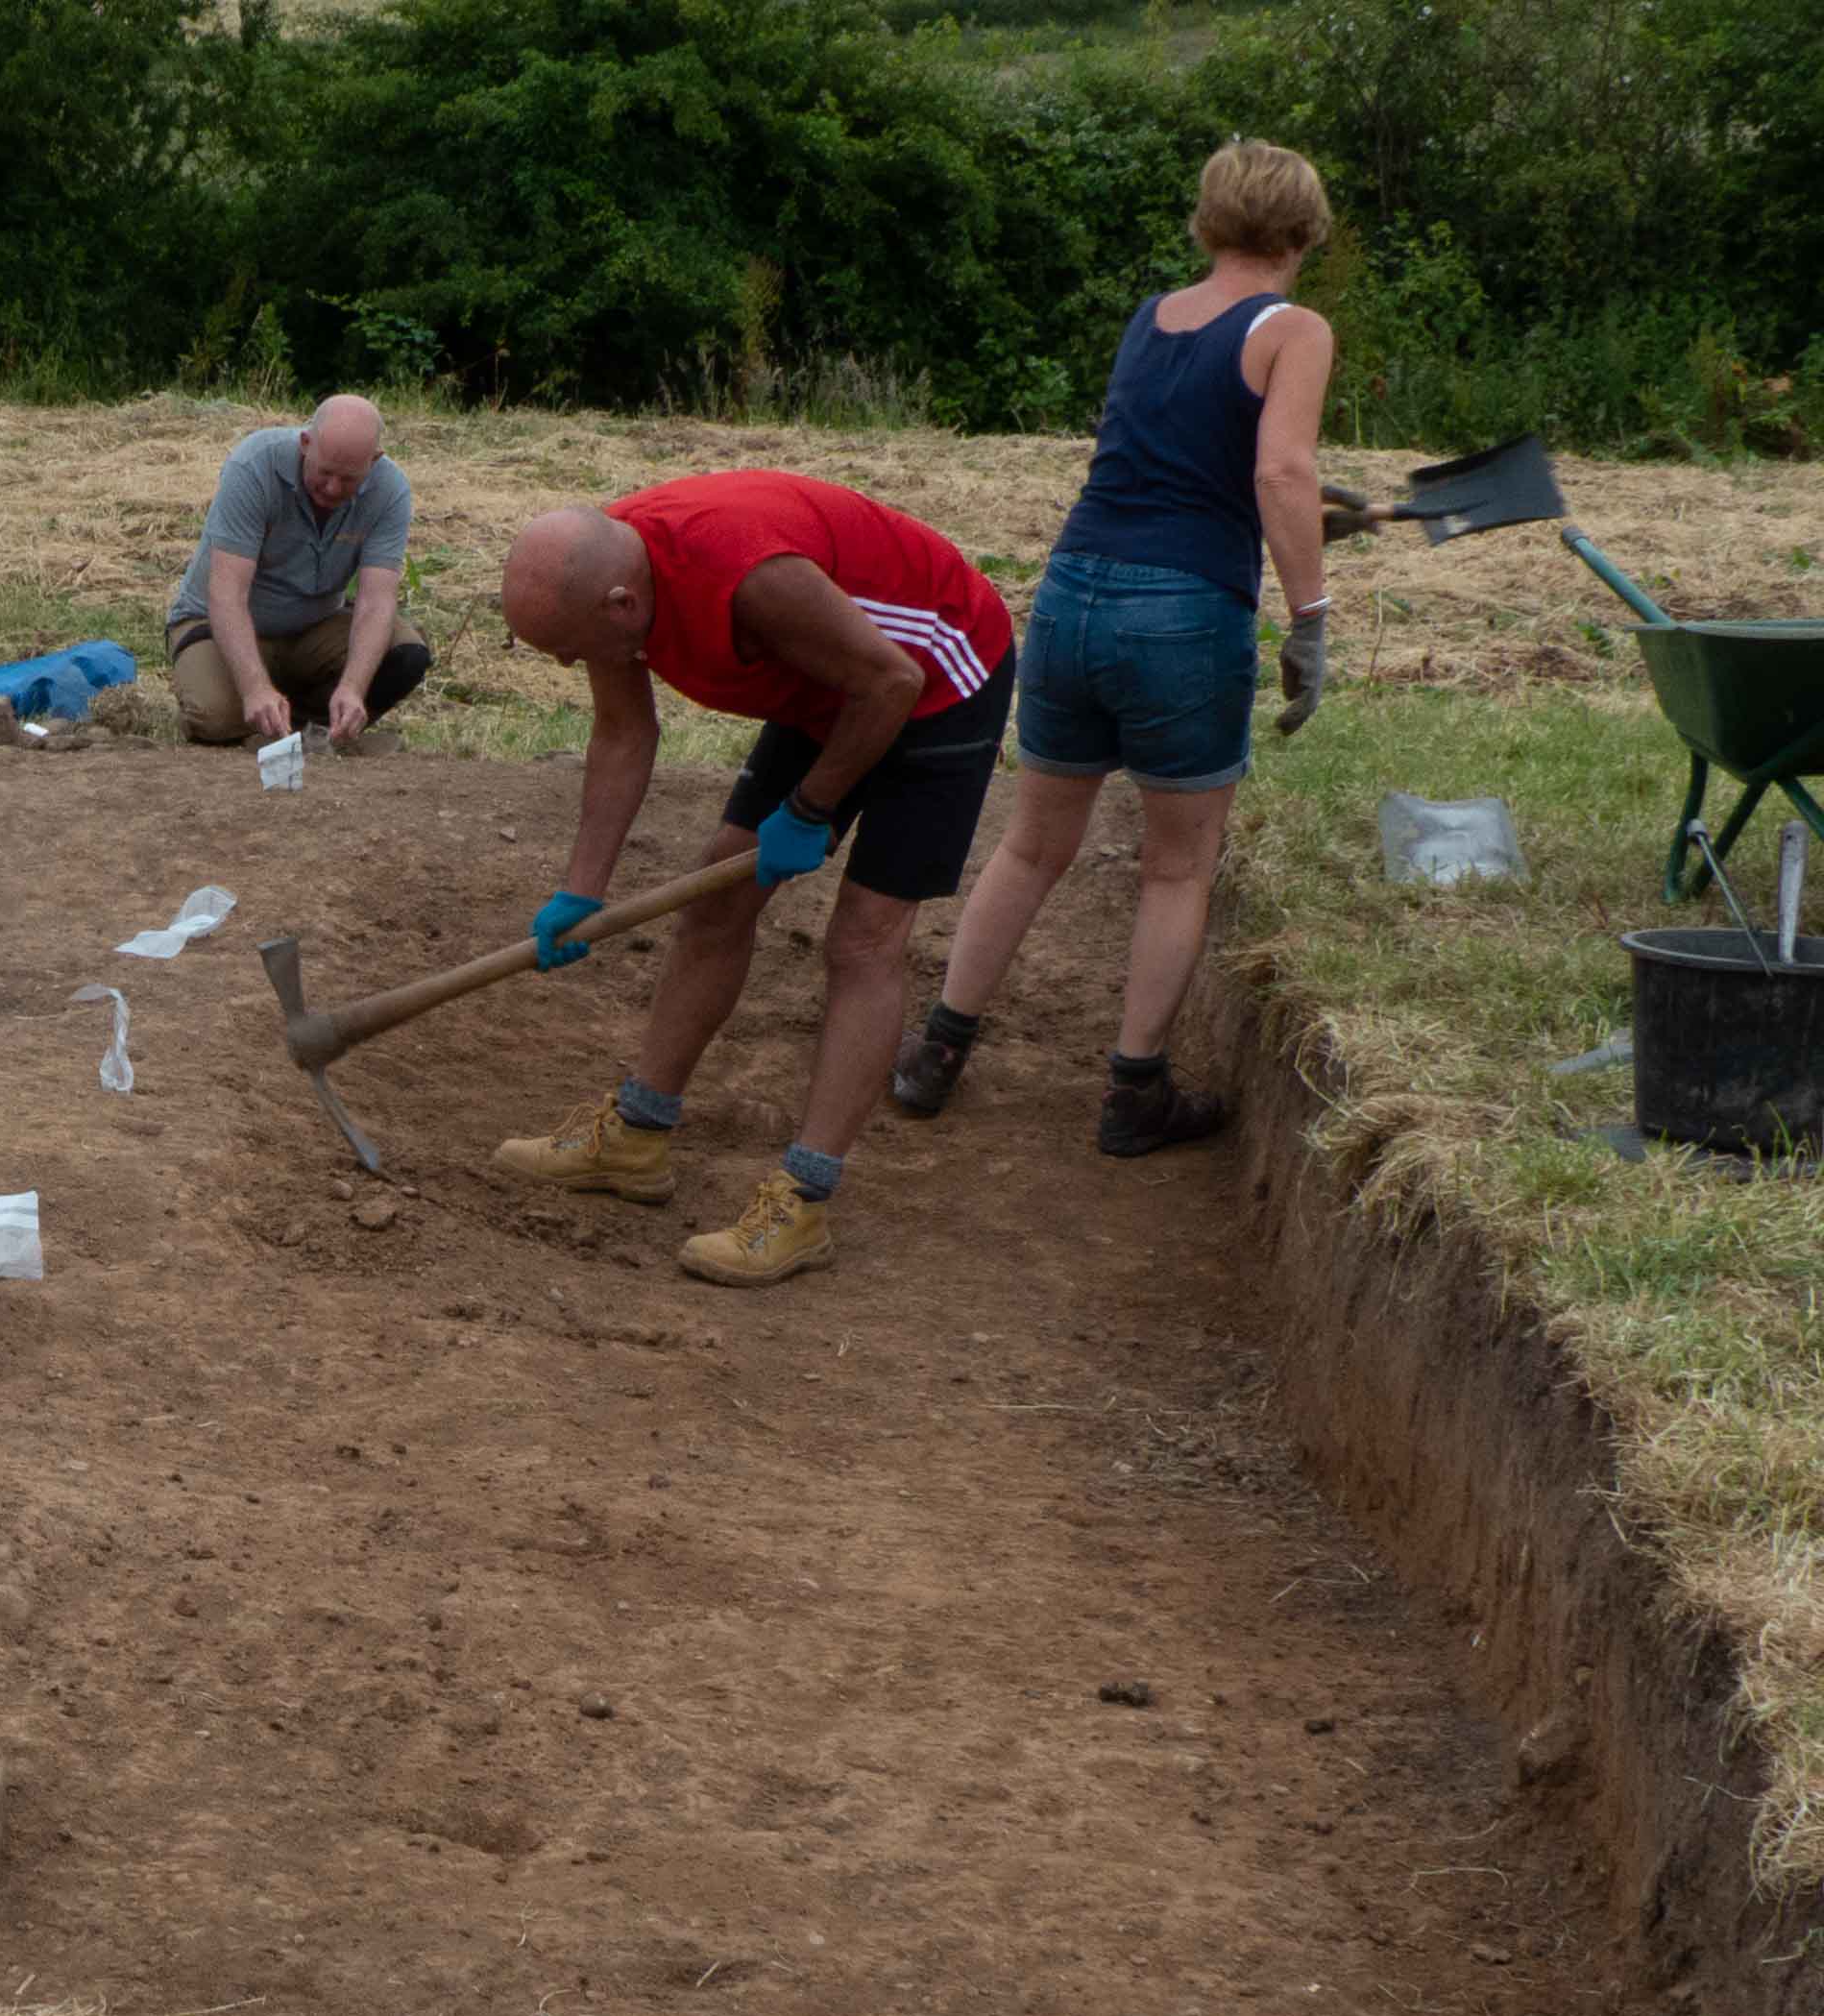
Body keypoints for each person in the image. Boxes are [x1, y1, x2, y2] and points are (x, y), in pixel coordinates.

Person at [890, 138, 1345, 1154]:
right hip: (1181, 615)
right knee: (1177, 867)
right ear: (1304, 231)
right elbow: (1280, 474)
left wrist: (1302, 515)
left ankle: (935, 1053)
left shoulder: (1155, 316)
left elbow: (1182, 459)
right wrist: (1310, 615)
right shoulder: (1295, 328)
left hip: (1072, 595)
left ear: (1210, 219)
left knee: (1031, 843)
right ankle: (1135, 1093)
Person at [490, 473, 1015, 1286]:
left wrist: (810, 809)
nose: (564, 660)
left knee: (864, 939)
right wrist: (582, 890)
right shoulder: (604, 568)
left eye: (567, 645)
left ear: (622, 605)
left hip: (938, 673)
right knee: (719, 895)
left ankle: (804, 1200)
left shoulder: (746, 578)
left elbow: (892, 683)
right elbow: (624, 733)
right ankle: (636, 1136)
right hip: (832, 681)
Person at [165, 393, 433, 748]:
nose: (333, 488)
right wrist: (254, 687)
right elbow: (227, 594)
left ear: (374, 460)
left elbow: (376, 601)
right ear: (305, 443)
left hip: (315, 626)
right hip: (216, 624)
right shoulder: (253, 466)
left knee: (405, 655)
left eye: (348, 479)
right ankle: (259, 707)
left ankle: (307, 728)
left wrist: (354, 688)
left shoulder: (390, 491)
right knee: (214, 717)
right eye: (325, 472)